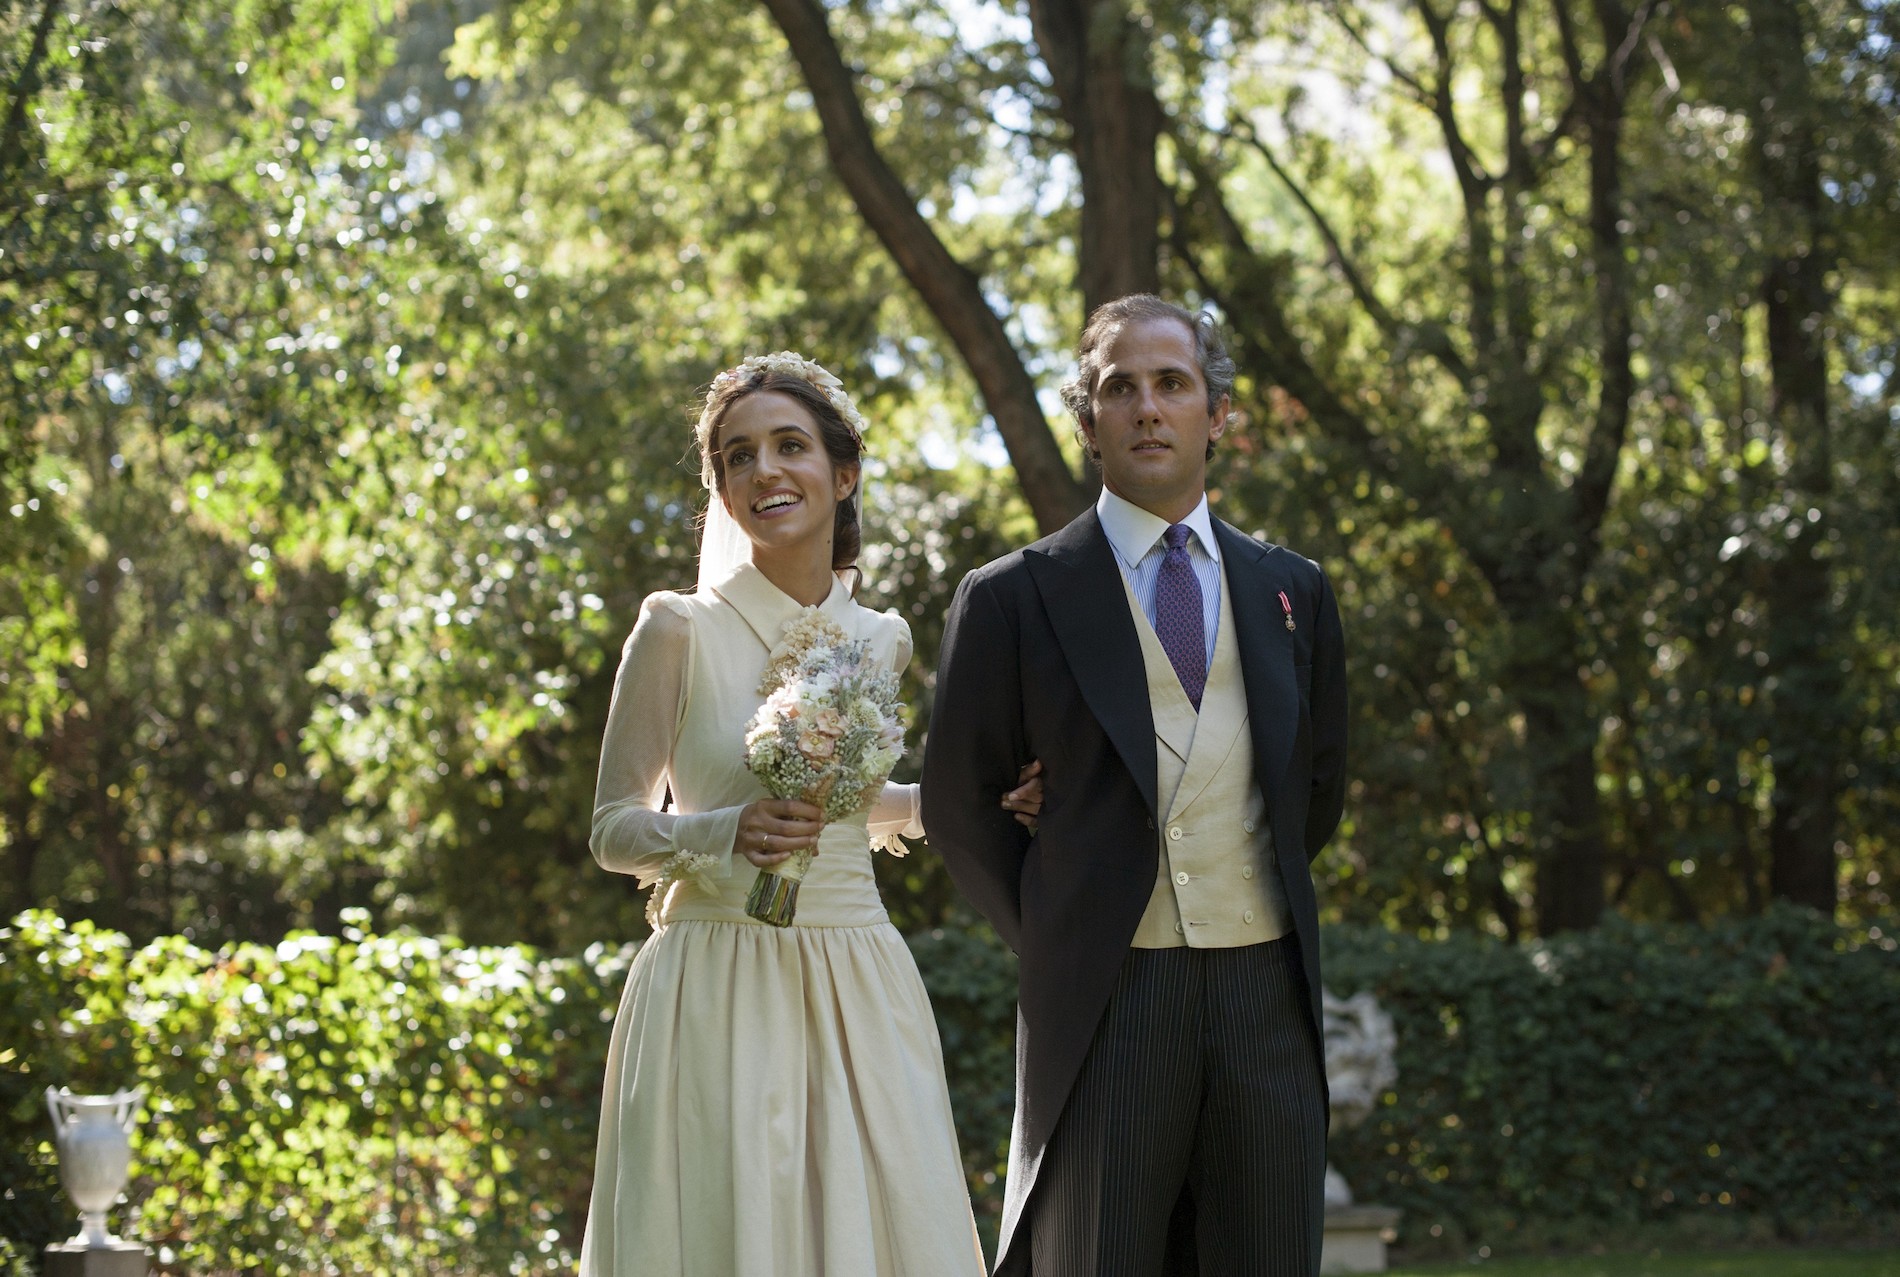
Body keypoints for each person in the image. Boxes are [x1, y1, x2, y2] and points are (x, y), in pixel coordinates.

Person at [580, 351, 1041, 1276]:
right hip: (716, 981)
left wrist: (974, 802)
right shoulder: (676, 627)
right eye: (738, 456)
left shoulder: (880, 639)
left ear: (844, 473)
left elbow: (852, 807)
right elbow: (612, 829)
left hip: (858, 972)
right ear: (722, 490)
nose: (764, 471)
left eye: (789, 445)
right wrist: (721, 832)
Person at [921, 296, 1349, 1277]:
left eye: (1171, 384)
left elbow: (1316, 785)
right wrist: (1066, 920)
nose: (1147, 407)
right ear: (1088, 422)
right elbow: (959, 806)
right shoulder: (1010, 597)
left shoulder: (1295, 589)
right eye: (1120, 387)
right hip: (1104, 999)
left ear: (1217, 413)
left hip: (1265, 995)